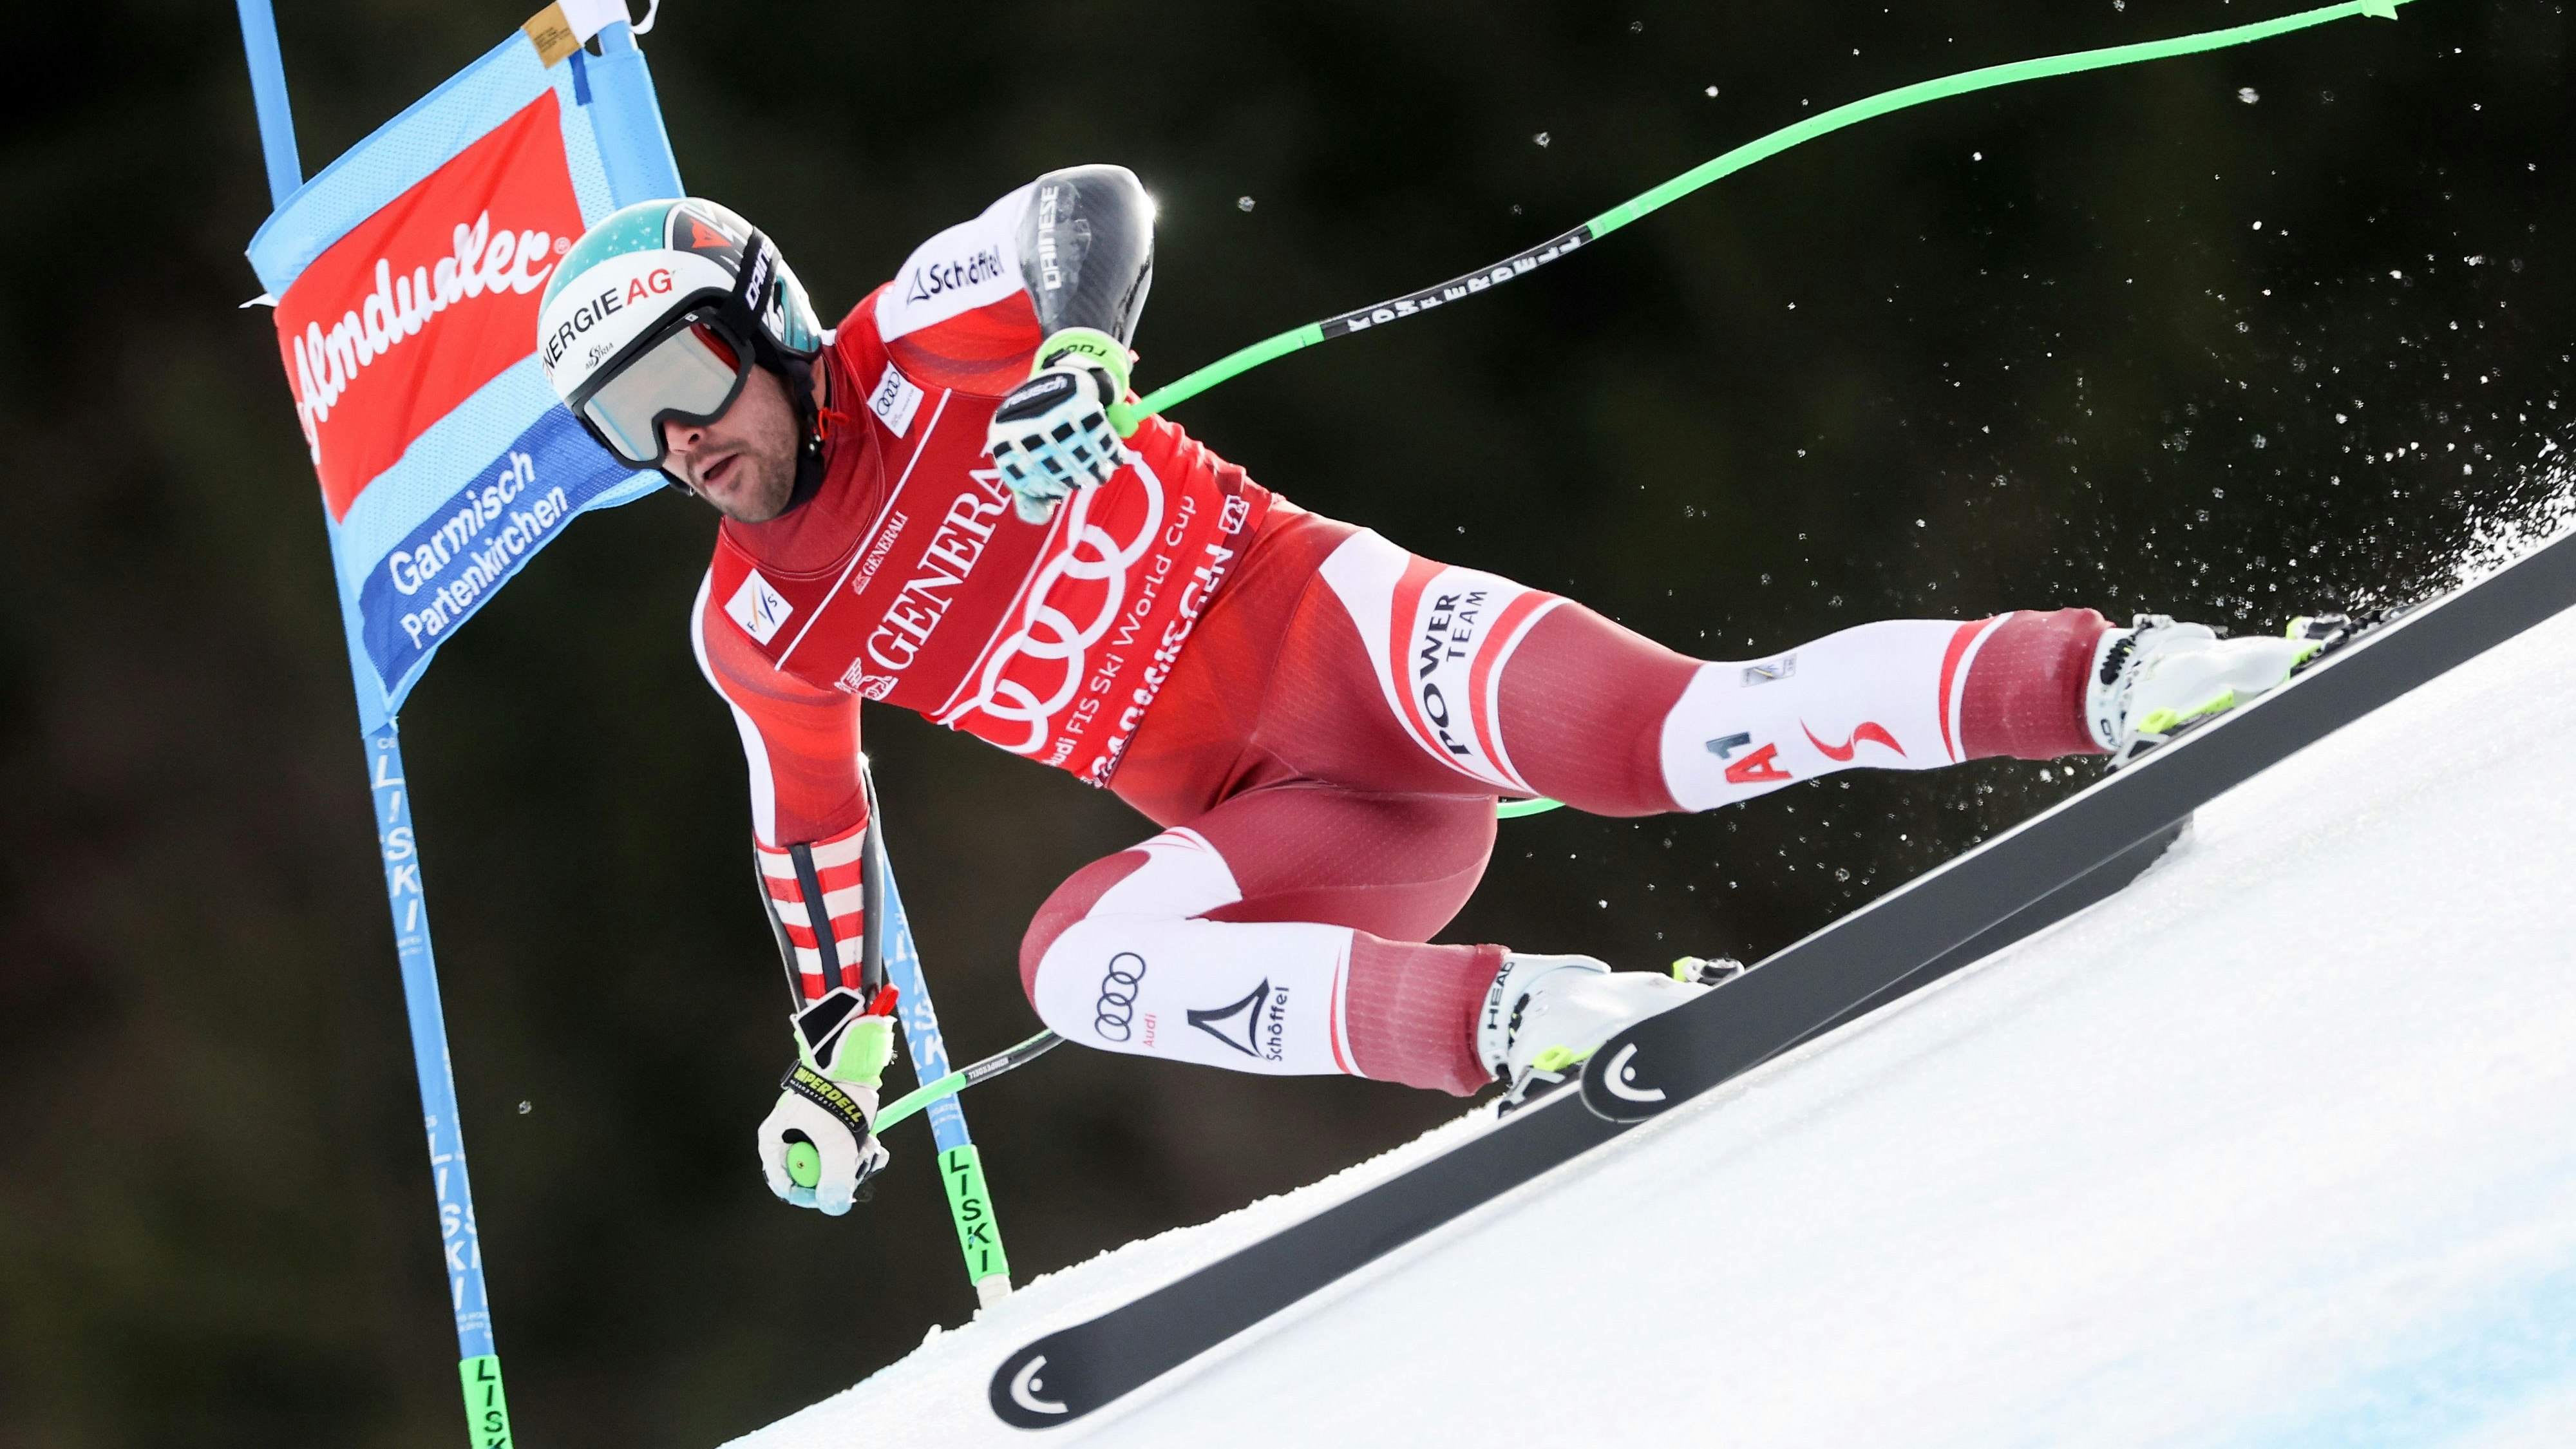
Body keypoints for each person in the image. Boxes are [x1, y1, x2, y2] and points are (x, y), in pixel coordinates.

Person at [536, 170, 2316, 1215]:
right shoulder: (753, 623)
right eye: (623, 425)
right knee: (1073, 965)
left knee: (1673, 741)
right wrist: (839, 1047)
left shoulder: (913, 336)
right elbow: (812, 833)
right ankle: (1524, 1018)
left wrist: (1081, 353)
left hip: (1352, 640)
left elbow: (1092, 208)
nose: (678, 438)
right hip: (1288, 830)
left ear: (760, 321)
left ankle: (2115, 679)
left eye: (685, 376)